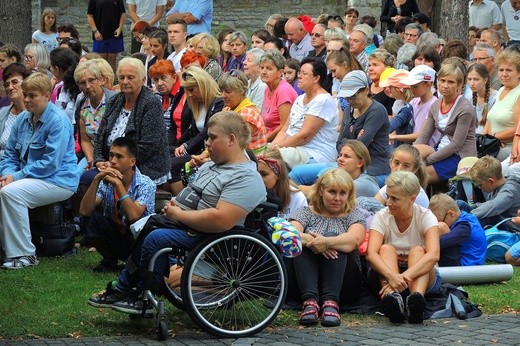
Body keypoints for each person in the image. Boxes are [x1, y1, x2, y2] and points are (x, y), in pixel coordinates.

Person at [87, 111, 267, 313]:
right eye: (207, 136)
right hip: (185, 224)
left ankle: (138, 292)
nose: (206, 143)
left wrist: (178, 214)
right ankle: (131, 289)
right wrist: (175, 208)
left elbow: (221, 219)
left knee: (155, 237)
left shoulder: (247, 178)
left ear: (231, 139)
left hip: (211, 236)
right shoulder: (213, 166)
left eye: (212, 137)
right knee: (147, 226)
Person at [0, 73, 79, 269]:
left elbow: (50, 163)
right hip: (31, 177)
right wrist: (7, 175)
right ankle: (6, 250)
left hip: (59, 180)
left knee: (11, 194)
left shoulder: (58, 121)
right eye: (25, 95)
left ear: (46, 95)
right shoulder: (22, 120)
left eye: (32, 96)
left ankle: (25, 254)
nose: (26, 100)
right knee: (6, 188)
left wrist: (15, 177)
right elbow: (10, 155)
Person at [290, 168, 366, 327]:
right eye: (332, 192)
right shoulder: (305, 212)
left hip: (345, 283)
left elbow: (354, 240)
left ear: (349, 195)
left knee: (334, 237)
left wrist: (328, 242)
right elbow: (290, 235)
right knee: (301, 242)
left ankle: (331, 302)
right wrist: (314, 242)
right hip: (305, 280)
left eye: (343, 193)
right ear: (320, 191)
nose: (337, 198)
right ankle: (310, 302)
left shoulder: (354, 215)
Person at [366, 171, 440, 324]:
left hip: (420, 275)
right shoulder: (381, 216)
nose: (388, 202)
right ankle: (394, 300)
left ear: (412, 199)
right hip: (387, 276)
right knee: (385, 248)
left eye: (394, 199)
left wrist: (402, 277)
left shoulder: (426, 216)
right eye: (387, 196)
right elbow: (371, 254)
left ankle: (416, 302)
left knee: (418, 251)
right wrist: (391, 275)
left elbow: (433, 255)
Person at [87, 57, 170, 186]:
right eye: (121, 77)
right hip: (112, 162)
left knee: (95, 182)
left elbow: (148, 146)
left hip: (142, 166)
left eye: (130, 78)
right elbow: (100, 137)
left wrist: (117, 163)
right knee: (83, 180)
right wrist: (99, 160)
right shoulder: (114, 101)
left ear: (143, 80)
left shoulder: (150, 103)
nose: (125, 82)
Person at [80, 137, 156, 272]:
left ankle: (135, 265)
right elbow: (84, 211)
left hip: (138, 240)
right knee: (91, 218)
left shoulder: (146, 183)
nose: (113, 161)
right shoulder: (105, 180)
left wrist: (118, 184)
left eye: (119, 157)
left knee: (144, 232)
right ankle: (109, 260)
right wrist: (96, 179)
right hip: (116, 234)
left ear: (132, 161)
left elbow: (133, 216)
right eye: (111, 155)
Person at [414, 60, 478, 184]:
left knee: (417, 176)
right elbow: (424, 136)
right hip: (440, 150)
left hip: (460, 155)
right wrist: (411, 155)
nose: (445, 85)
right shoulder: (435, 105)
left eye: (451, 82)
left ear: (459, 85)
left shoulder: (465, 108)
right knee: (407, 161)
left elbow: (456, 144)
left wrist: (428, 160)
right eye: (442, 81)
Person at [270, 57, 339, 168]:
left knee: (270, 159)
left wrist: (277, 147)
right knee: (263, 153)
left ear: (316, 78)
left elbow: (304, 137)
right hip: (292, 148)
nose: (299, 76)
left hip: (315, 153)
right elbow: (285, 128)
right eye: (299, 72)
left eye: (304, 73)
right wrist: (273, 145)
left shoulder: (322, 100)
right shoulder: (300, 99)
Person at [168, 66, 223, 194]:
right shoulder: (196, 103)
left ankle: (181, 199)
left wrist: (186, 146)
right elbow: (191, 130)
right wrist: (179, 145)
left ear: (203, 85)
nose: (190, 95)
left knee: (172, 165)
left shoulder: (218, 102)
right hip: (194, 147)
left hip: (205, 151)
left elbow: (206, 131)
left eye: (192, 90)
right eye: (187, 91)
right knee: (163, 154)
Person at [337, 70, 390, 186]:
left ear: (366, 90)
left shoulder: (377, 111)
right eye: (346, 97)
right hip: (348, 164)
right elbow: (339, 145)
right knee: (299, 173)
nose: (350, 100)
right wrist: (352, 143)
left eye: (353, 96)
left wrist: (347, 142)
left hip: (375, 166)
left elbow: (358, 149)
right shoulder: (348, 111)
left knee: (336, 184)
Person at [293, 140, 380, 198]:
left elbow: (314, 192)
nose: (340, 159)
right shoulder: (337, 174)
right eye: (340, 155)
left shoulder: (364, 184)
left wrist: (294, 188)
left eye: (347, 156)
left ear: (360, 163)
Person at [74, 60, 118, 170]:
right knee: (77, 175)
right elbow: (85, 140)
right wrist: (92, 160)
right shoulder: (82, 104)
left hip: (113, 155)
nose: (87, 86)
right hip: (92, 154)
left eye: (91, 80)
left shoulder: (113, 100)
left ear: (101, 80)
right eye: (83, 83)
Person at [460, 155, 520, 231]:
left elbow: (493, 206)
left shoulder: (509, 191)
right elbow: (487, 205)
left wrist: (467, 217)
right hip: (498, 219)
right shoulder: (496, 187)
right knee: (460, 204)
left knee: (485, 218)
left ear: (490, 181)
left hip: (511, 229)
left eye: (480, 184)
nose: (479, 187)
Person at [429, 193, 487, 267]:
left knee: (441, 227)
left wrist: (426, 244)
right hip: (463, 263)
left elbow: (444, 241)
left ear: (451, 214)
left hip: (465, 268)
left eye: (440, 220)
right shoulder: (465, 218)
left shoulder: (465, 226)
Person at [483, 49, 520, 161]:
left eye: (509, 70)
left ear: (519, 73)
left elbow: (517, 129)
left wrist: (494, 139)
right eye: (501, 70)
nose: (504, 74)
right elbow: (490, 119)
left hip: (510, 146)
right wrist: (484, 139)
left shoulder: (518, 93)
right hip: (493, 143)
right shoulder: (501, 89)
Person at [218, 70, 267, 154]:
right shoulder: (228, 109)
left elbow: (234, 145)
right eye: (222, 91)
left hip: (252, 160)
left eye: (228, 92)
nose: (223, 95)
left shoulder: (247, 114)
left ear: (242, 91)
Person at [259, 49, 298, 141]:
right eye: (262, 67)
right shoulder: (267, 88)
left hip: (280, 140)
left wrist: (263, 140)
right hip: (266, 137)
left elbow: (284, 126)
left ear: (280, 73)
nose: (264, 72)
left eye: (269, 68)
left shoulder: (283, 91)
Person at [374, 144, 429, 208]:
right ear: (390, 163)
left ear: (414, 169)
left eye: (406, 166)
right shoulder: (390, 186)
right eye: (396, 163)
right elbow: (372, 207)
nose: (399, 169)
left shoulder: (418, 197)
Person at [257, 148, 307, 216]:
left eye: (264, 174)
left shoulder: (297, 197)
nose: (258, 178)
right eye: (256, 173)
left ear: (278, 174)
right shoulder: (251, 192)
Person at [148, 59, 182, 150]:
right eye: (156, 79)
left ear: (174, 78)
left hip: (177, 144)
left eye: (163, 78)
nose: (159, 83)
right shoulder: (158, 96)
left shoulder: (183, 95)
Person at [87, 0, 126, 72]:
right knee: (101, 63)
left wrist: (119, 28)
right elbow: (90, 16)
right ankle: (102, 82)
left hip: (114, 35)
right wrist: (95, 31)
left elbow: (122, 14)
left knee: (112, 63)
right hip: (100, 35)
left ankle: (111, 82)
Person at [0, 63, 30, 158]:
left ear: (25, 82)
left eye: (15, 82)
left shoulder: (34, 113)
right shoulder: (3, 113)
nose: (10, 87)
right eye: (7, 84)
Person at [380, 69, 415, 149]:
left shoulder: (415, 104)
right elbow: (393, 130)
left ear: (398, 90)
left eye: (390, 87)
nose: (388, 89)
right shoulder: (397, 103)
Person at [49, 47, 80, 124]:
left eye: (51, 66)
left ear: (57, 69)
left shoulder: (80, 89)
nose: (50, 69)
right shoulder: (59, 87)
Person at [466, 63, 497, 134]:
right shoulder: (468, 96)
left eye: (476, 79)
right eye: (469, 79)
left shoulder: (495, 97)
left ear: (485, 80)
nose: (472, 83)